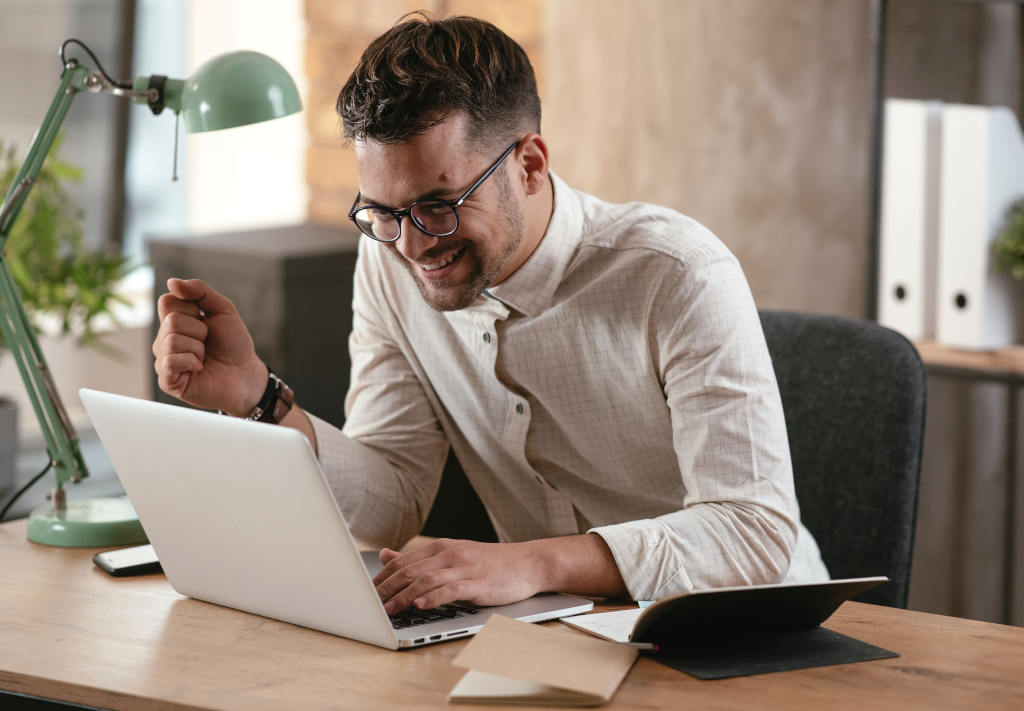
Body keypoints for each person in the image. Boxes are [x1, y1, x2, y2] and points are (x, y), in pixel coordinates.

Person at [152, 13, 829, 615]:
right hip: (567, 637)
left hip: (753, 641)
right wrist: (258, 399)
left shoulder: (678, 276)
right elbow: (393, 502)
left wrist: (533, 561)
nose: (413, 245)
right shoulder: (391, 262)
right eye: (383, 213)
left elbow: (754, 530)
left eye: (438, 205)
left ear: (529, 164)